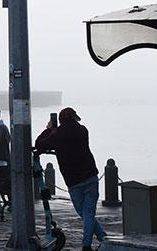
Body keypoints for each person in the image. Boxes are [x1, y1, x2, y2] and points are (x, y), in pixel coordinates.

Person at [35, 107, 107, 251]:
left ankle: (86, 246)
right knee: (88, 213)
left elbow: (39, 144)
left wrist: (49, 129)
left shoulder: (57, 134)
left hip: (73, 181)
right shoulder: (83, 130)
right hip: (90, 176)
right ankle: (103, 238)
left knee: (85, 213)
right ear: (74, 117)